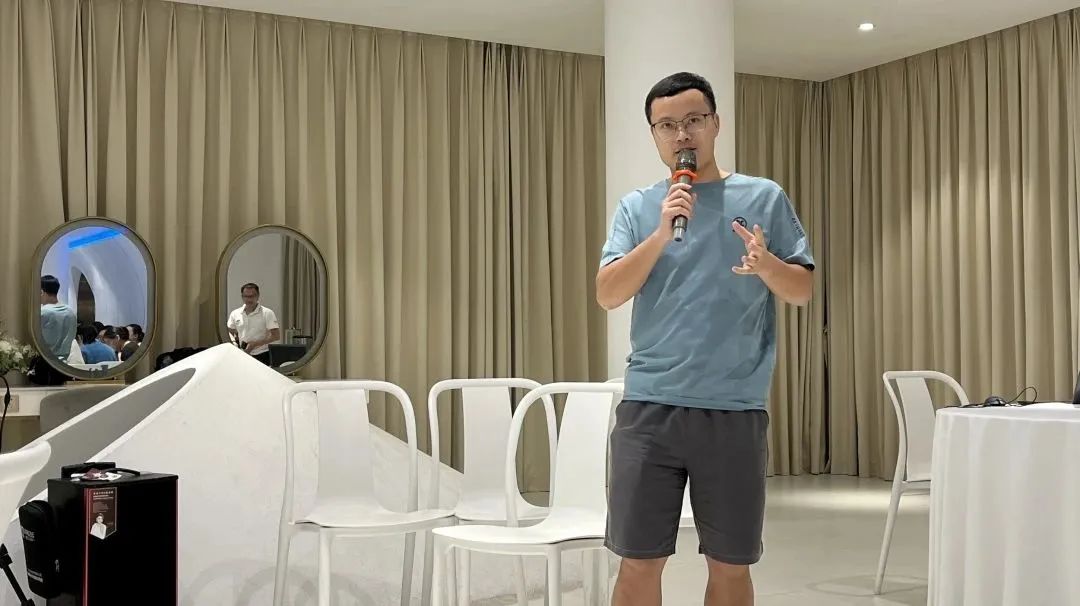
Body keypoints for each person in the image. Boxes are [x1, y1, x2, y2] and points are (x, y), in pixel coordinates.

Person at [596, 72, 815, 606]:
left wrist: (767, 265)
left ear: (716, 124)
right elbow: (608, 293)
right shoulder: (638, 207)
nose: (682, 135)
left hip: (733, 410)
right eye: (667, 125)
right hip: (650, 409)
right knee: (637, 562)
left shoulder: (763, 197)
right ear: (654, 135)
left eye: (693, 120)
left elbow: (802, 290)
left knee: (731, 565)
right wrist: (660, 232)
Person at [226, 283, 280, 366]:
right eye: (246, 296)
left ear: (258, 296)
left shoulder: (267, 313)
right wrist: (234, 343)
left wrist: (255, 344)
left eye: (252, 296)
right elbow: (230, 330)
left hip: (262, 355)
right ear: (242, 297)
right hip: (242, 354)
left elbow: (276, 336)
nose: (249, 299)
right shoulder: (235, 313)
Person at [39, 275, 78, 360]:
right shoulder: (71, 312)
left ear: (41, 292)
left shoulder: (42, 313)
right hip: (64, 363)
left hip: (45, 361)